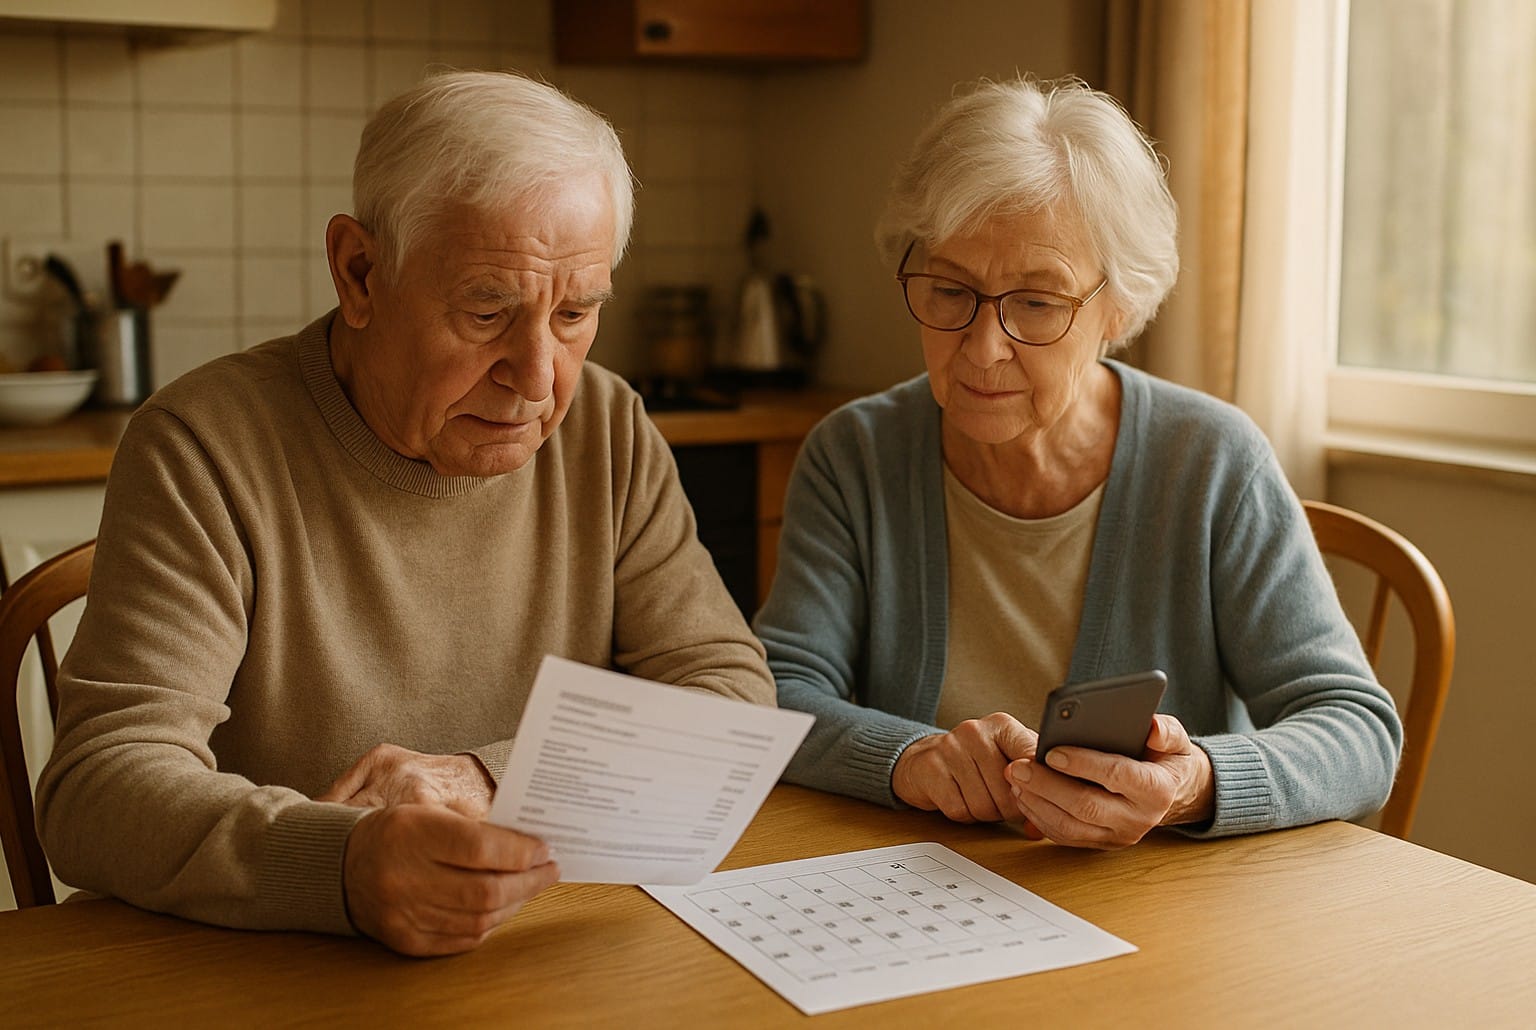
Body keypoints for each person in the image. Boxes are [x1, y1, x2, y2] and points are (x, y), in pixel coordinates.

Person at [36, 71, 775, 955]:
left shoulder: (608, 427)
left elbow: (729, 700)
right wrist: (342, 864)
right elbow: (98, 787)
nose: (539, 379)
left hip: (552, 955)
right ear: (359, 272)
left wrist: (487, 782)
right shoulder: (204, 445)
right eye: (487, 310)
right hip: (272, 972)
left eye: (576, 313)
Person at [753, 76, 1402, 849]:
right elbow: (780, 693)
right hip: (923, 888)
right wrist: (910, 758)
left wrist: (1191, 784)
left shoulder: (1211, 462)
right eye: (949, 289)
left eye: (1036, 302)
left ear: (1118, 309)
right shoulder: (854, 455)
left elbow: (1357, 730)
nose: (984, 348)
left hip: (1155, 905)